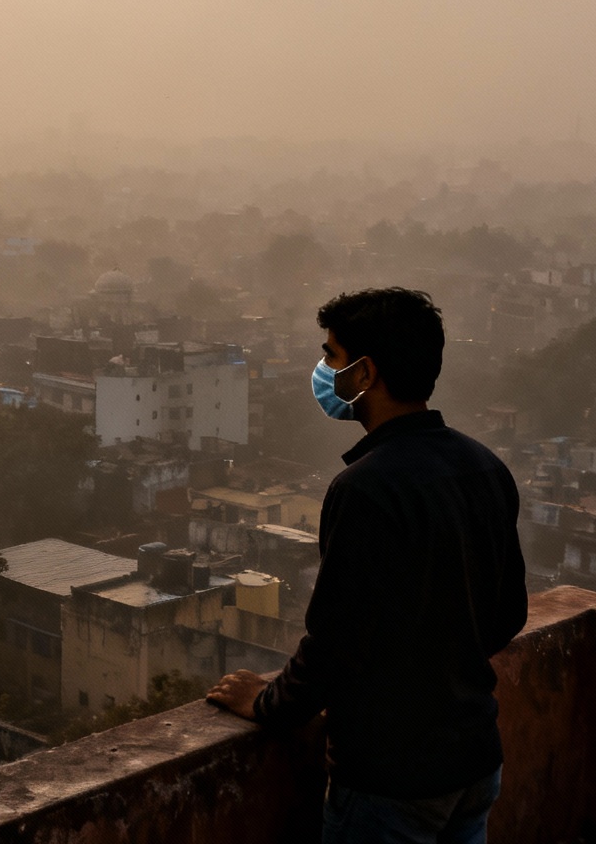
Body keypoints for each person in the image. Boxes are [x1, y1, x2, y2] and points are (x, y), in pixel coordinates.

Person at [207, 288, 527, 844]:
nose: (324, 371)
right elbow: (507, 614)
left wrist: (267, 702)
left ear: (365, 372)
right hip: (475, 759)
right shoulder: (484, 467)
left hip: (392, 778)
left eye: (332, 356)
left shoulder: (366, 488)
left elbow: (335, 640)